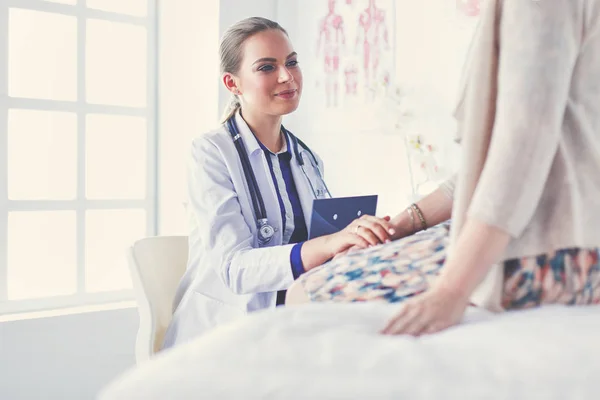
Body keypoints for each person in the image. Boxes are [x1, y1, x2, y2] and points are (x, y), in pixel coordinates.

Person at [288, 0, 600, 336]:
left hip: (562, 253)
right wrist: (399, 226)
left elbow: (517, 161)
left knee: (305, 294)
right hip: (561, 236)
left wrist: (452, 291)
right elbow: (487, 170)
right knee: (333, 267)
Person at [162, 17, 395, 349]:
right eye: (266, 67)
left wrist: (352, 241)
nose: (287, 76)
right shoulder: (210, 153)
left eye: (292, 62)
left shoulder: (307, 158)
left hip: (291, 323)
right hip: (224, 334)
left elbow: (316, 245)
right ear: (232, 83)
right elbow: (235, 269)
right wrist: (329, 244)